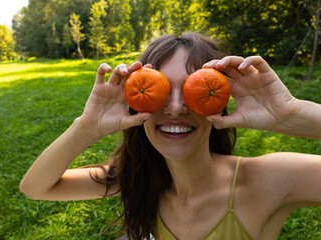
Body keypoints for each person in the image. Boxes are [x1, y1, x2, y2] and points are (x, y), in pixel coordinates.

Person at [20, 32, 321, 240]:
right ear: (135, 101)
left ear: (219, 98)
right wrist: (87, 128)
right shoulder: (138, 178)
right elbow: (36, 188)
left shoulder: (269, 180)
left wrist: (292, 115)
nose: (175, 108)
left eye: (195, 89)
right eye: (159, 91)